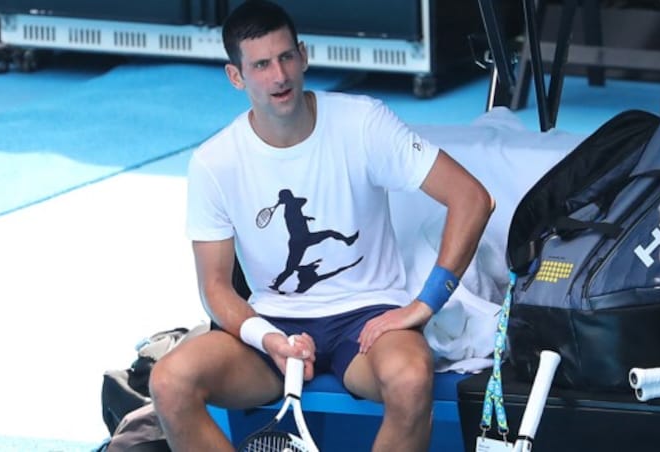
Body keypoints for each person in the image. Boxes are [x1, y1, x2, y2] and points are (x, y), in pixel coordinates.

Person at [148, 1, 494, 451]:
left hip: (368, 318)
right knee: (169, 382)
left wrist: (424, 304)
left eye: (286, 57)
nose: (279, 76)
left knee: (410, 381)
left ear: (304, 55)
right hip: (274, 323)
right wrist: (267, 337)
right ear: (237, 76)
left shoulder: (363, 122)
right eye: (261, 64)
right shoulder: (215, 163)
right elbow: (215, 287)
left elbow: (473, 198)